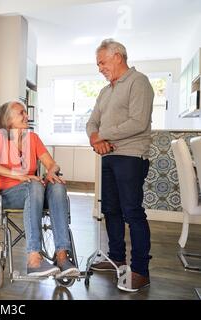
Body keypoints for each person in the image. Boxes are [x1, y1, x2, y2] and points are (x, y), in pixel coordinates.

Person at [86, 39, 154, 292]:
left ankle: (140, 271)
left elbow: (138, 122)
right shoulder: (105, 91)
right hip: (109, 156)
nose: (100, 68)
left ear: (118, 56)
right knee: (111, 210)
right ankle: (116, 258)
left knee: (132, 213)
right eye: (98, 64)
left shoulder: (139, 82)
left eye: (102, 62)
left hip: (131, 156)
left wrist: (104, 135)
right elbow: (91, 122)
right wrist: (95, 138)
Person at [0, 101, 80, 277]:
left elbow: (52, 163)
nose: (26, 116)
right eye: (21, 113)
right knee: (34, 184)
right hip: (9, 194)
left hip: (34, 191)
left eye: (26, 113)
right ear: (9, 119)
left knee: (57, 185)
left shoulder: (33, 139)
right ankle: (34, 259)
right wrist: (21, 176)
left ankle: (61, 256)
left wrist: (51, 171)